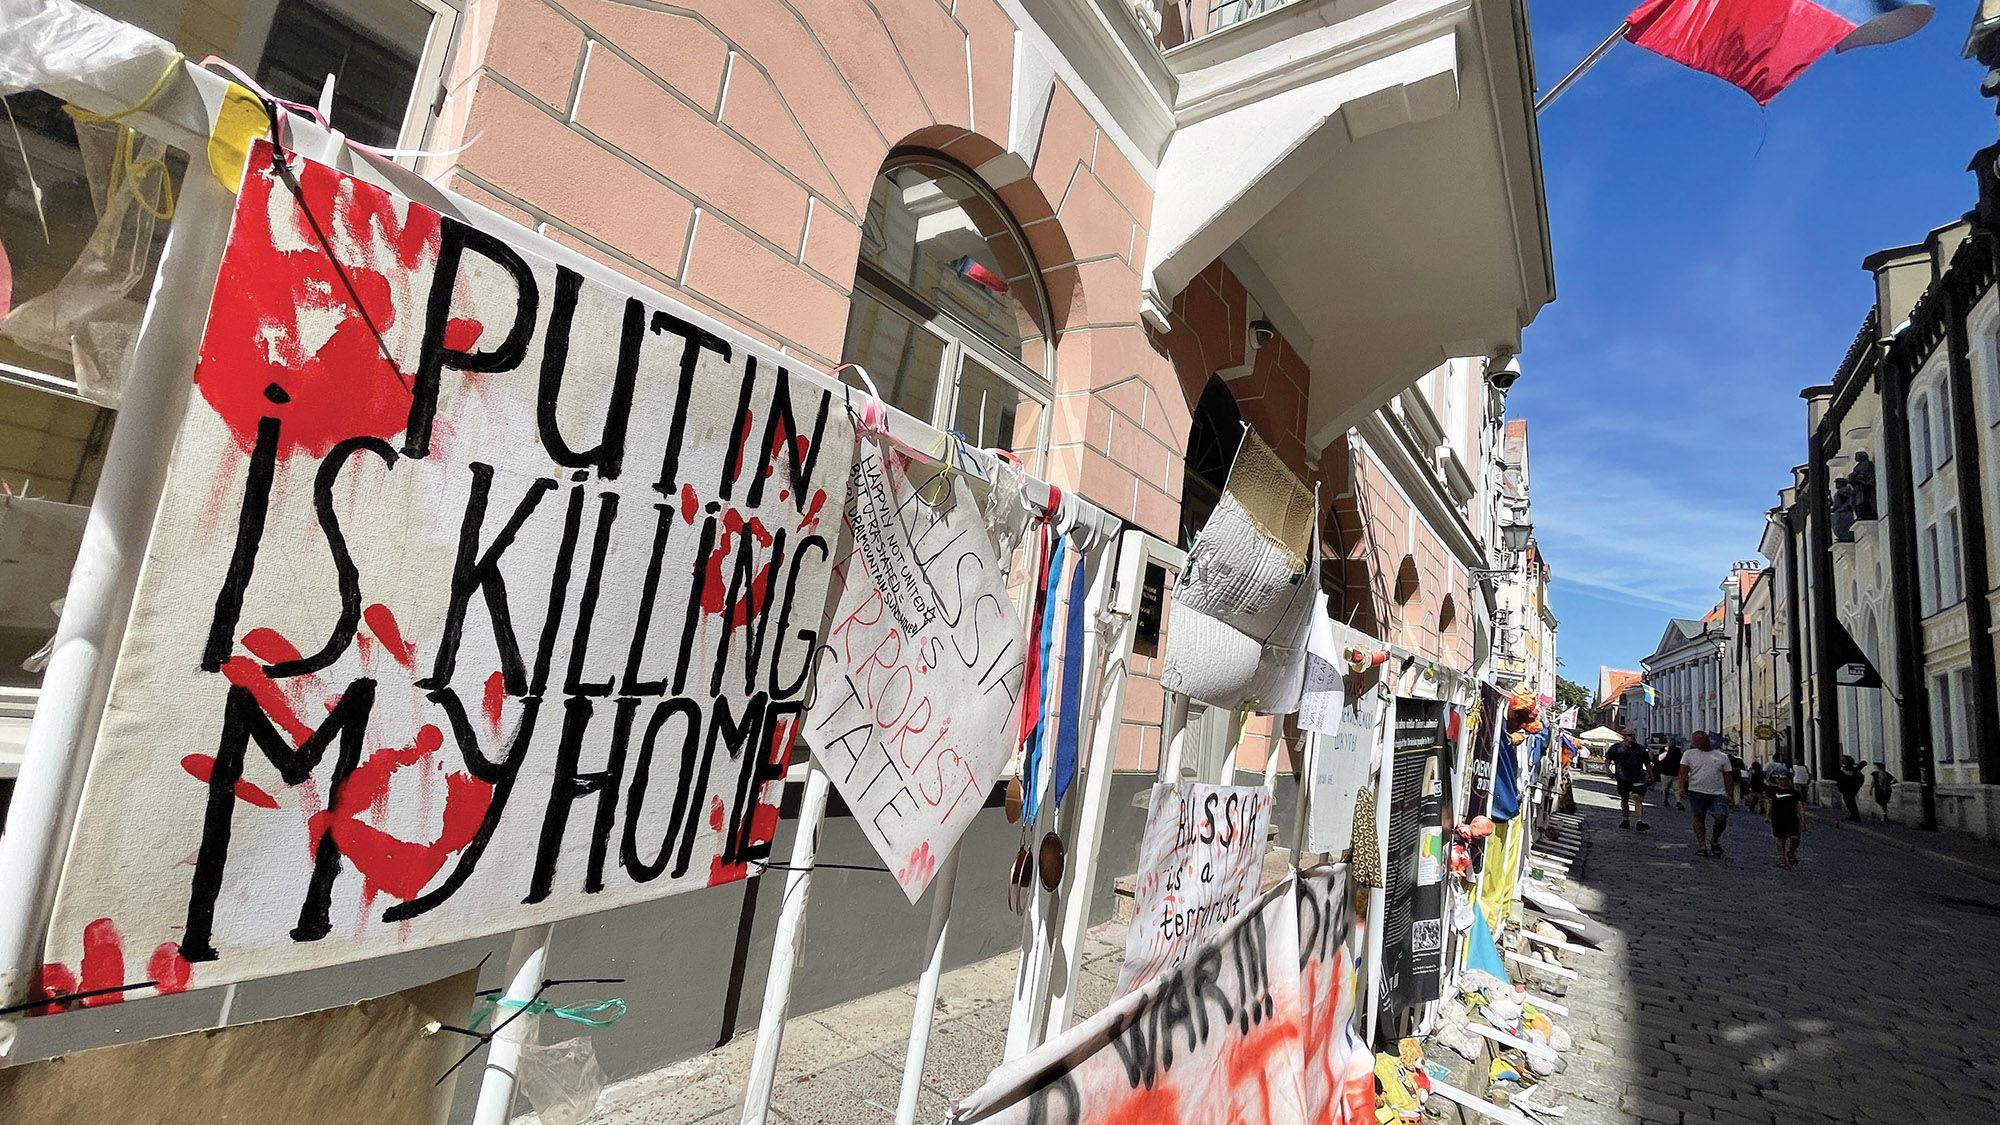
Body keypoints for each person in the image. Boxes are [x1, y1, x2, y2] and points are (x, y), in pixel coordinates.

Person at [1677, 731, 1737, 857]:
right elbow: (1683, 772)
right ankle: (1702, 845)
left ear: (1706, 740)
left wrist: (1730, 794)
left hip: (1718, 792)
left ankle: (1714, 839)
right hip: (1696, 791)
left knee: (1721, 818)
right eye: (1694, 741)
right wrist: (1681, 787)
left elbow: (1728, 776)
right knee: (1699, 817)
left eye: (1698, 741)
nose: (1696, 744)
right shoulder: (1689, 754)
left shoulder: (1721, 756)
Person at [1607, 729, 1653, 831]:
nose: (1632, 737)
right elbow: (1608, 759)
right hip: (1623, 778)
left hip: (1638, 777)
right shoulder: (1616, 748)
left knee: (1637, 798)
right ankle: (1625, 820)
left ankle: (1639, 821)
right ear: (1624, 736)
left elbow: (1647, 763)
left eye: (1633, 735)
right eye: (1630, 735)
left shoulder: (1640, 749)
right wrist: (1608, 770)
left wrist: (1650, 774)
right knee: (1624, 798)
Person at [1765, 761, 1802, 868]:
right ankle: (1782, 861)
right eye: (1780, 779)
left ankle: (1791, 852)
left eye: (1785, 779)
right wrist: (1767, 815)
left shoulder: (1795, 793)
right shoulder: (1772, 791)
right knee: (1780, 839)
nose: (1783, 781)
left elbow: (1800, 806)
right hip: (1778, 818)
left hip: (1792, 818)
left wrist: (1803, 821)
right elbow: (1769, 802)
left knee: (1795, 838)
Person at [1655, 741, 1685, 810]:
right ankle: (1666, 800)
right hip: (1666, 773)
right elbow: (1659, 759)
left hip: (1674, 773)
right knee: (1666, 788)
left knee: (1676, 788)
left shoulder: (1678, 751)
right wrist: (1666, 751)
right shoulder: (1664, 751)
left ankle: (1678, 802)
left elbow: (1682, 761)